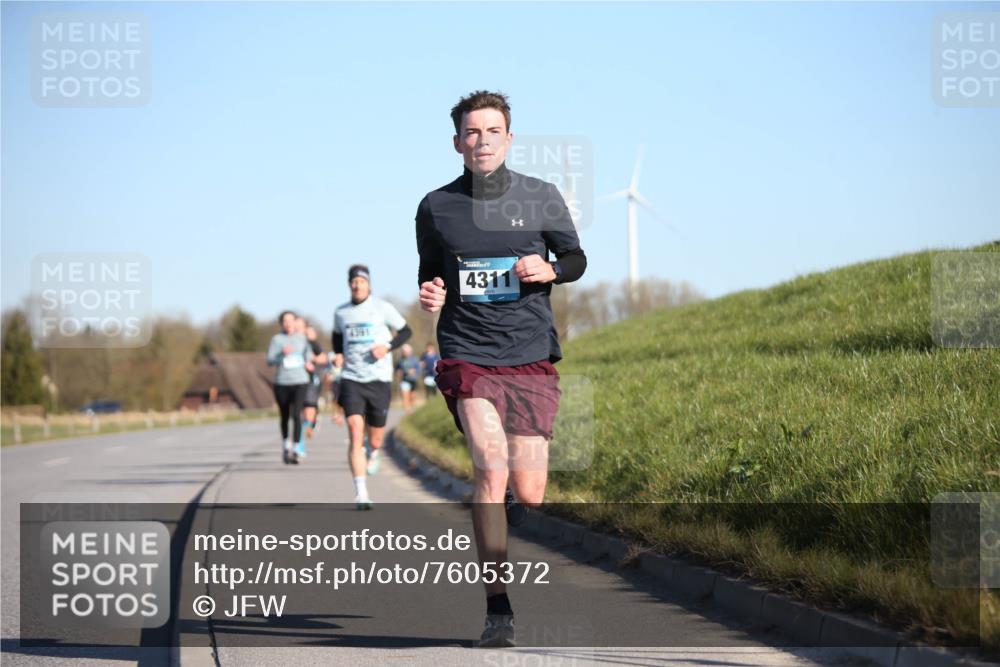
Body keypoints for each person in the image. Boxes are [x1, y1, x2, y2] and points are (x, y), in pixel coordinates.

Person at [416, 90, 587, 648]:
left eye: (492, 131)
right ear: (457, 141)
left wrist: (551, 269)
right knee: (489, 468)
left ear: (509, 139)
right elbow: (430, 271)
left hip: (530, 353)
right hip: (467, 353)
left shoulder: (541, 196)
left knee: (530, 492)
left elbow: (577, 260)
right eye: (472, 132)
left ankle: (514, 503)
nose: (482, 140)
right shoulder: (435, 206)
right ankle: (498, 609)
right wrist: (432, 291)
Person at [333, 264, 412, 509]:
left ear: (369, 284)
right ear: (349, 285)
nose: (357, 285)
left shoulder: (382, 308)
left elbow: (406, 331)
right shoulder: (341, 312)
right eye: (354, 282)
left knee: (375, 438)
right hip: (352, 377)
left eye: (362, 282)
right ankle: (361, 493)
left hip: (379, 379)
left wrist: (387, 346)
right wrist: (338, 354)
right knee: (355, 431)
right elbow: (337, 338)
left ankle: (374, 451)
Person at [266, 310, 315, 464]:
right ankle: (285, 445)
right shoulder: (277, 340)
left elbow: (309, 355)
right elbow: (269, 360)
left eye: (291, 320)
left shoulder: (302, 339)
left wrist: (308, 362)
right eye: (285, 321)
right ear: (281, 324)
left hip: (300, 381)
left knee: (296, 413)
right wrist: (281, 354)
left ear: (295, 322)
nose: (288, 324)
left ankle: (296, 448)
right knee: (285, 415)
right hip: (282, 382)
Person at [300, 323, 329, 456]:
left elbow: (324, 358)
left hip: (313, 379)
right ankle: (306, 426)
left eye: (310, 333)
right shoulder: (299, 343)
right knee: (301, 409)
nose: (308, 335)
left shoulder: (315, 345)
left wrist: (312, 359)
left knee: (309, 404)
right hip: (299, 379)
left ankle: (309, 426)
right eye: (306, 333)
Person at [395, 343, 421, 412]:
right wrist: (398, 372)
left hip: (413, 380)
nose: (405, 353)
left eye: (406, 351)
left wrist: (414, 372)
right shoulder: (400, 360)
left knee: (412, 397)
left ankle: (411, 409)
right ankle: (407, 410)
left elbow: (419, 370)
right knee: (405, 395)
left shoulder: (415, 359)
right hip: (404, 380)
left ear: (410, 351)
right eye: (404, 351)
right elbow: (397, 369)